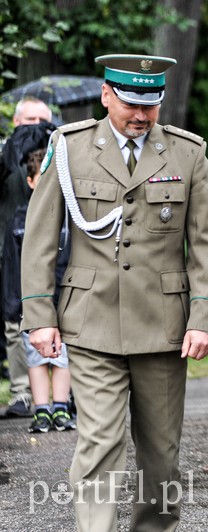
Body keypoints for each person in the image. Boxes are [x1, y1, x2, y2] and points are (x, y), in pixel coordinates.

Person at [21, 54, 208, 531]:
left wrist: (204, 316)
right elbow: (40, 237)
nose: (140, 115)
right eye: (131, 103)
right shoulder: (68, 148)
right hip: (90, 322)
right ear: (107, 95)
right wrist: (39, 314)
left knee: (160, 456)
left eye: (150, 106)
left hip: (164, 327)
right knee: (99, 440)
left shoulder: (187, 153)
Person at [1, 120, 75, 433]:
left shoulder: (71, 217)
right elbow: (12, 265)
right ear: (30, 181)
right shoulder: (19, 220)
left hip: (65, 300)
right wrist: (12, 304)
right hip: (29, 302)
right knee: (36, 356)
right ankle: (40, 408)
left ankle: (61, 406)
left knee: (63, 356)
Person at [0, 97, 54, 418]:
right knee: (13, 322)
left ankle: (60, 393)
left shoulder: (58, 148)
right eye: (30, 119)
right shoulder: (6, 151)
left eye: (42, 120)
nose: (36, 125)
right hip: (10, 247)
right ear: (17, 121)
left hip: (51, 248)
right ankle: (21, 392)